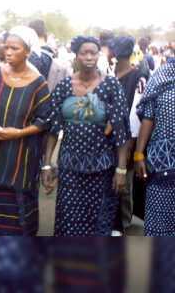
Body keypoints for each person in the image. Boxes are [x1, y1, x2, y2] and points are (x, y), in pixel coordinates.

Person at [43, 36, 129, 236]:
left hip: (102, 168)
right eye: (84, 53)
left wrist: (121, 169)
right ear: (76, 55)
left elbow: (121, 131)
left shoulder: (111, 86)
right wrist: (47, 164)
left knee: (99, 221)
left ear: (99, 55)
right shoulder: (64, 86)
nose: (89, 57)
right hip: (69, 167)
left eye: (93, 52)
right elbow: (53, 128)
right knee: (69, 219)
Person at [0, 26, 52, 236]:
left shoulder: (38, 83)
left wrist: (18, 133)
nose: (8, 52)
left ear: (28, 52)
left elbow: (45, 120)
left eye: (15, 48)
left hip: (22, 159)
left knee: (19, 220)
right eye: (6, 47)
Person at [107, 36, 146, 235]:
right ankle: (113, 220)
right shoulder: (109, 74)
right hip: (108, 137)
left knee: (124, 182)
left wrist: (131, 142)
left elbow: (136, 114)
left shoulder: (137, 77)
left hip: (128, 139)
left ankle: (123, 222)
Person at [134, 54, 175, 236]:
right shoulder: (162, 75)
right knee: (159, 225)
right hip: (162, 164)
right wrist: (138, 154)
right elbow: (148, 118)